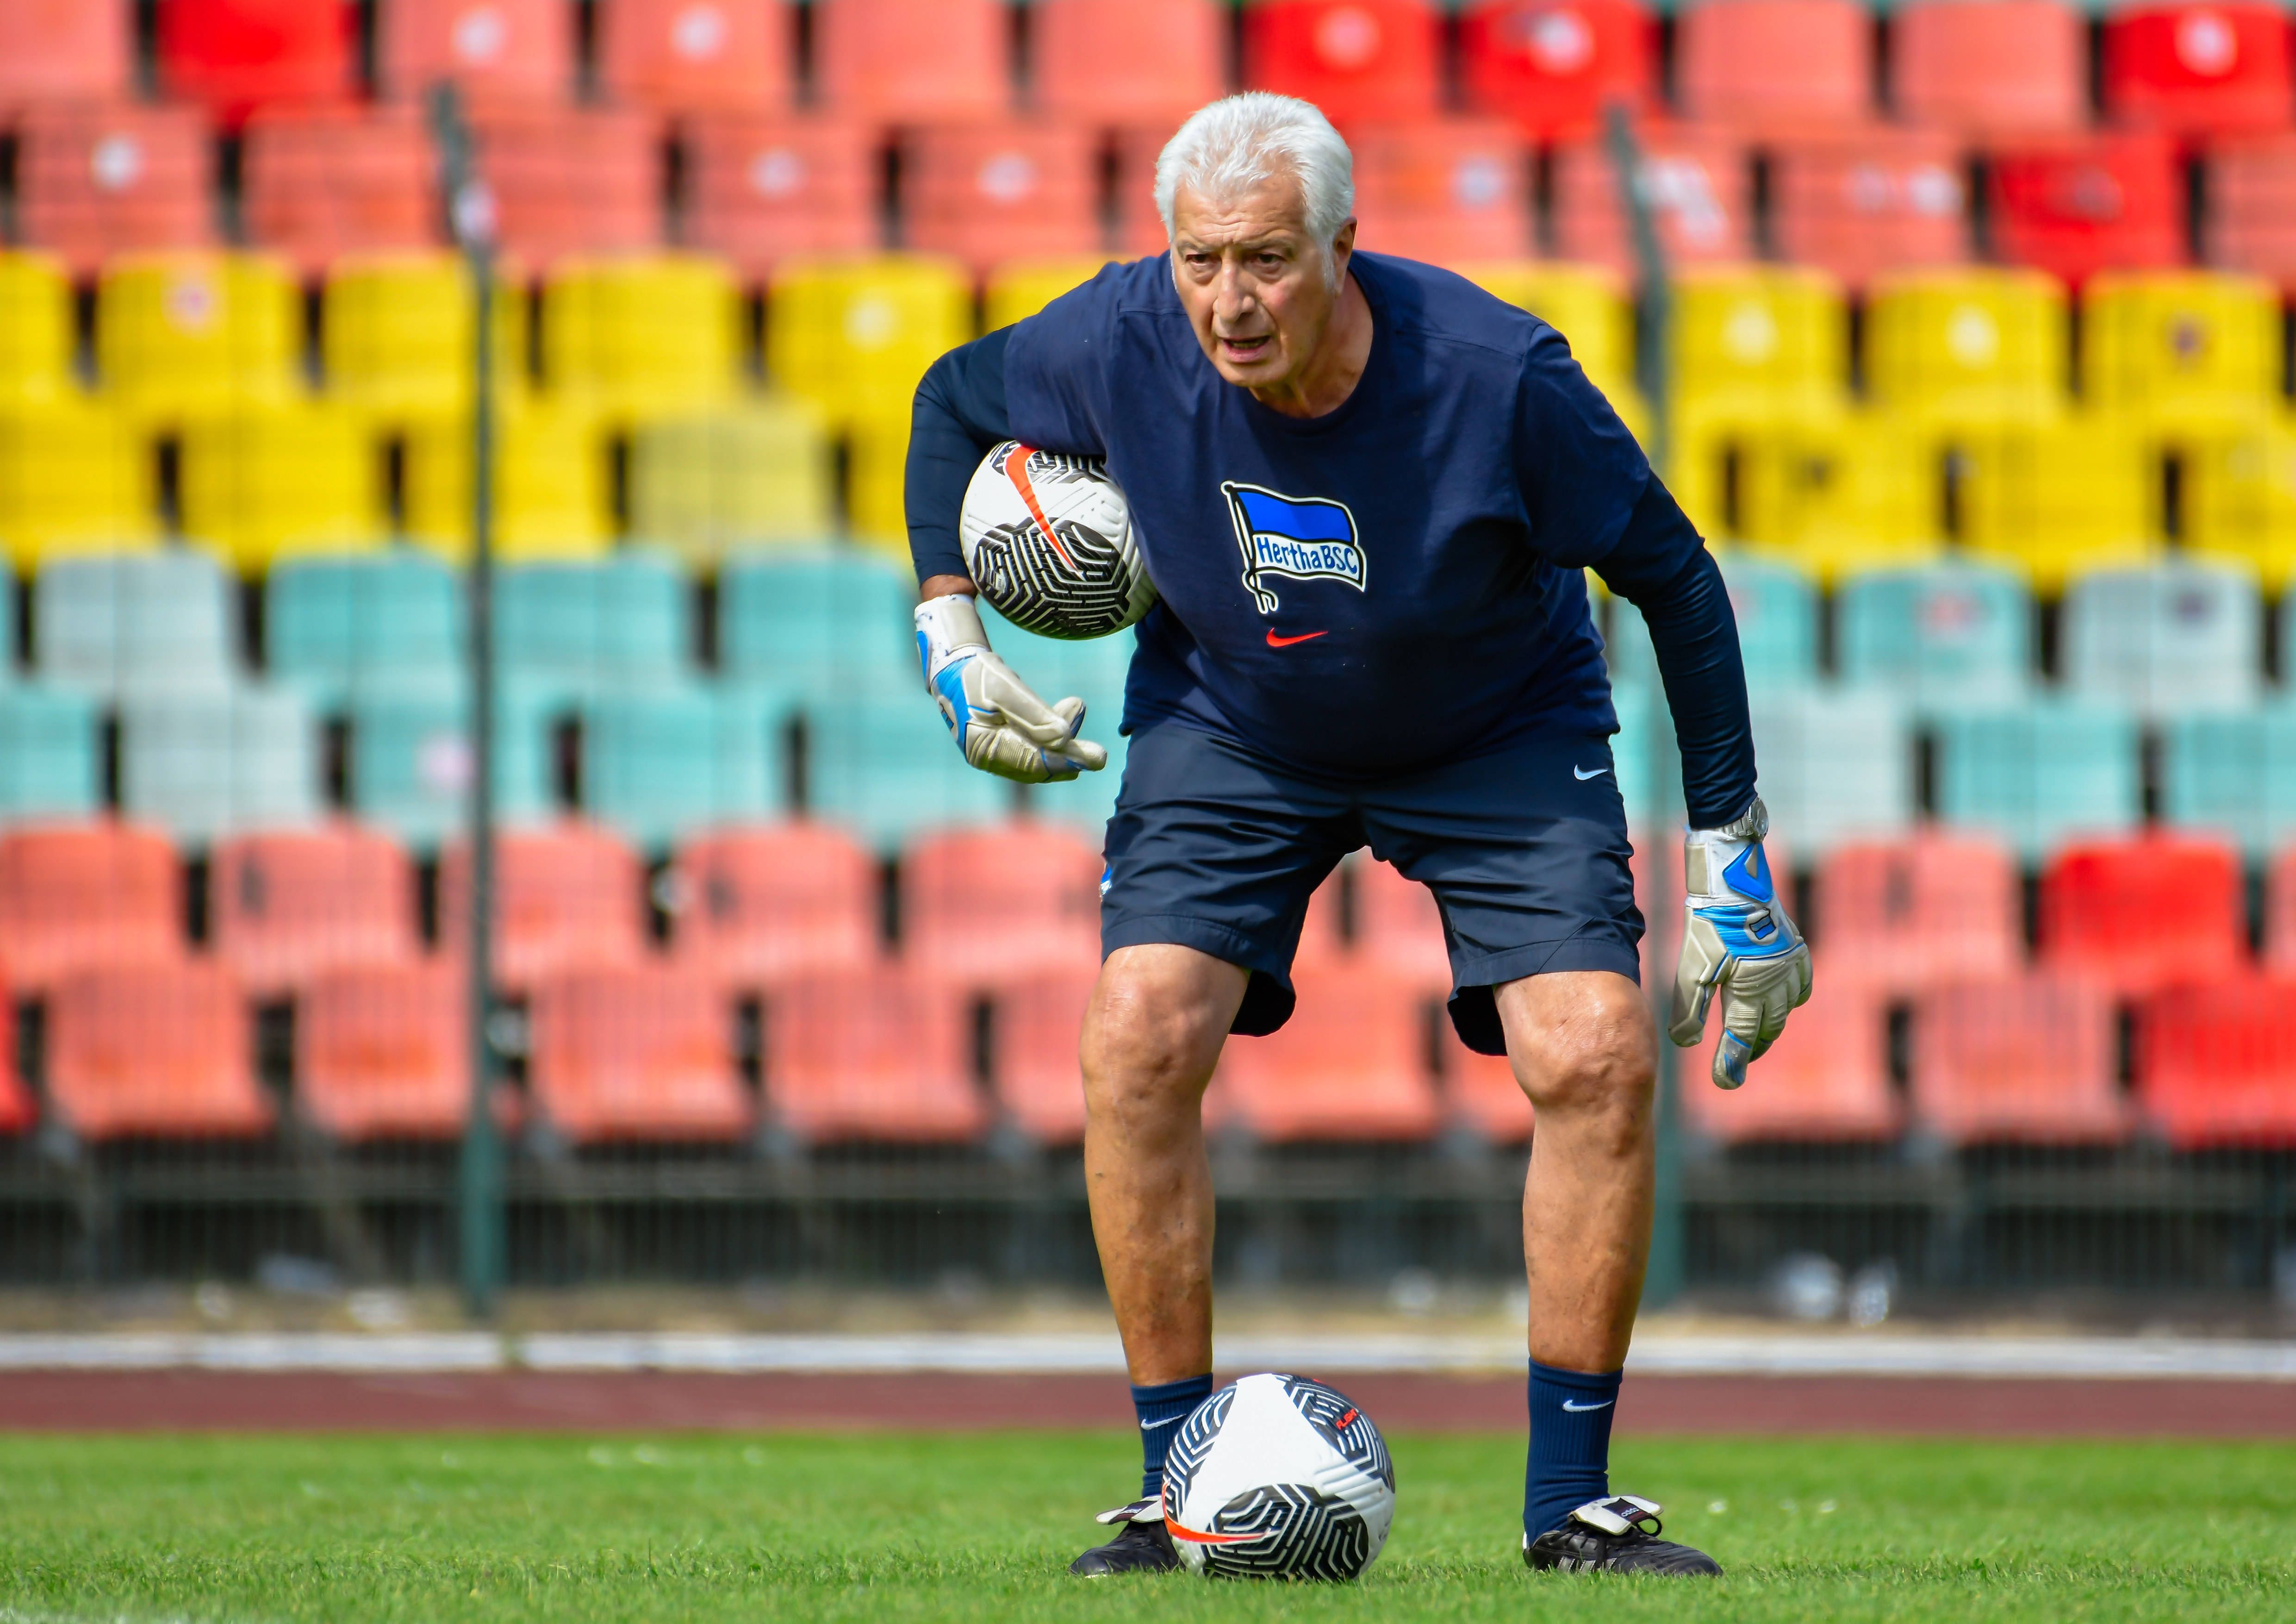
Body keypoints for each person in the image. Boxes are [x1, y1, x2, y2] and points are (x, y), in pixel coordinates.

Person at [902, 93, 1811, 1579]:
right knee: (1135, 1033)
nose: (1228, 300)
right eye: (1199, 260)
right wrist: (950, 634)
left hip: (1494, 727)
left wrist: (1732, 852)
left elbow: (1675, 578)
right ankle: (1171, 1494)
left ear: (1341, 246)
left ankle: (1570, 1505)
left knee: (1594, 1051)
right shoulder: (1121, 336)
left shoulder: (1498, 376)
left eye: (1265, 259)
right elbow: (952, 398)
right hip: (1233, 719)